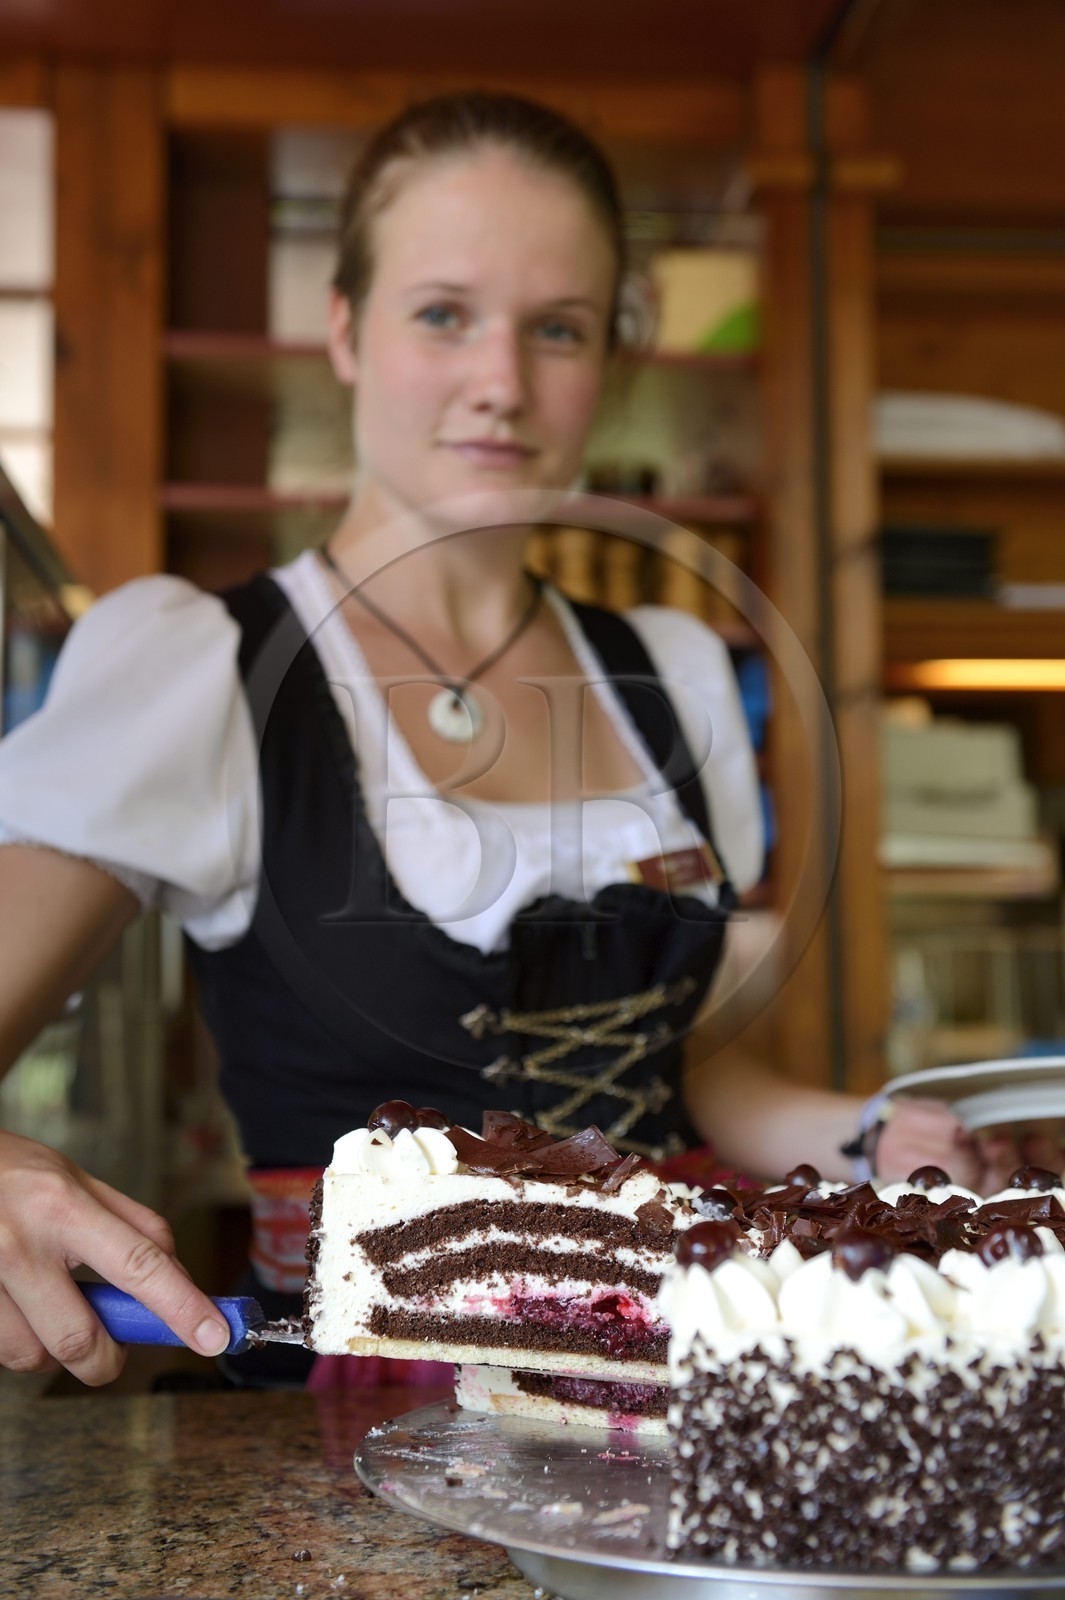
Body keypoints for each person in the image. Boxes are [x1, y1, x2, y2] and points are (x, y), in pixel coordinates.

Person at [0, 92, 1049, 1391]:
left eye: (556, 328)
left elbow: (699, 1066)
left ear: (608, 355)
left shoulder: (671, 676)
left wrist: (873, 1138)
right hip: (363, 1436)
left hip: (674, 1402)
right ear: (344, 330)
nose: (500, 384)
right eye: (442, 313)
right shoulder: (205, 667)